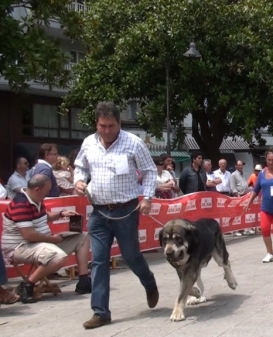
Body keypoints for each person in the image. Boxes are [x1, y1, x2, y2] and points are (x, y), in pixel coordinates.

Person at [73, 101, 159, 329]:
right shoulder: (88, 143)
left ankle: (149, 282)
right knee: (99, 261)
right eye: (103, 126)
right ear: (97, 124)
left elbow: (150, 171)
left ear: (119, 123)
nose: (107, 130)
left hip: (126, 211)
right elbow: (79, 167)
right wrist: (79, 181)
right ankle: (101, 312)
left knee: (131, 256)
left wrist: (147, 198)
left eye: (111, 125)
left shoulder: (134, 143)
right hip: (99, 211)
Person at [1, 174, 90, 303]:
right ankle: (27, 285)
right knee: (58, 256)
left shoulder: (36, 199)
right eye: (47, 190)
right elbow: (28, 235)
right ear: (38, 189)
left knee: (82, 237)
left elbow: (44, 216)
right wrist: (53, 239)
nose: (49, 193)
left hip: (39, 243)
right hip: (20, 247)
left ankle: (84, 280)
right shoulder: (21, 203)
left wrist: (61, 214)